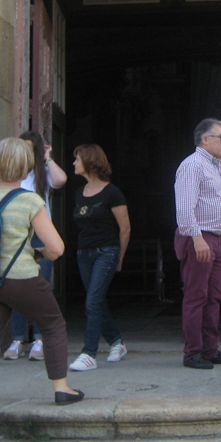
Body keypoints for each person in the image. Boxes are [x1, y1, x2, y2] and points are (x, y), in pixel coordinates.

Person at [0, 137, 82, 442]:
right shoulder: (29, 200)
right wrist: (39, 254)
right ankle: (61, 388)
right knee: (52, 323)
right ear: (25, 167)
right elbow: (56, 248)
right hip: (21, 279)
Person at [174, 118, 221, 370]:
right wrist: (197, 238)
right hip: (198, 239)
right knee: (196, 296)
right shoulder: (193, 165)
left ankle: (210, 350)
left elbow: (211, 203)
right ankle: (192, 353)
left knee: (214, 296)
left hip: (214, 237)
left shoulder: (214, 165)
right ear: (205, 139)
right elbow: (185, 207)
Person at [3, 131, 67, 361]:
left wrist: (48, 159)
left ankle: (39, 339)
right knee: (16, 288)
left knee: (41, 288)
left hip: (39, 236)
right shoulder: (10, 174)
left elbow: (61, 180)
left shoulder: (41, 173)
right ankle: (18, 339)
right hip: (16, 236)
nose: (26, 154)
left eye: (31, 150)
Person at [68, 144, 131, 371]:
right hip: (84, 252)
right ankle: (117, 342)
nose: (74, 163)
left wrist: (120, 257)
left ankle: (89, 353)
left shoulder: (112, 193)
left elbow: (125, 228)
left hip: (106, 251)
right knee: (96, 300)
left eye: (77, 159)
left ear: (89, 161)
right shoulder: (79, 192)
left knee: (92, 301)